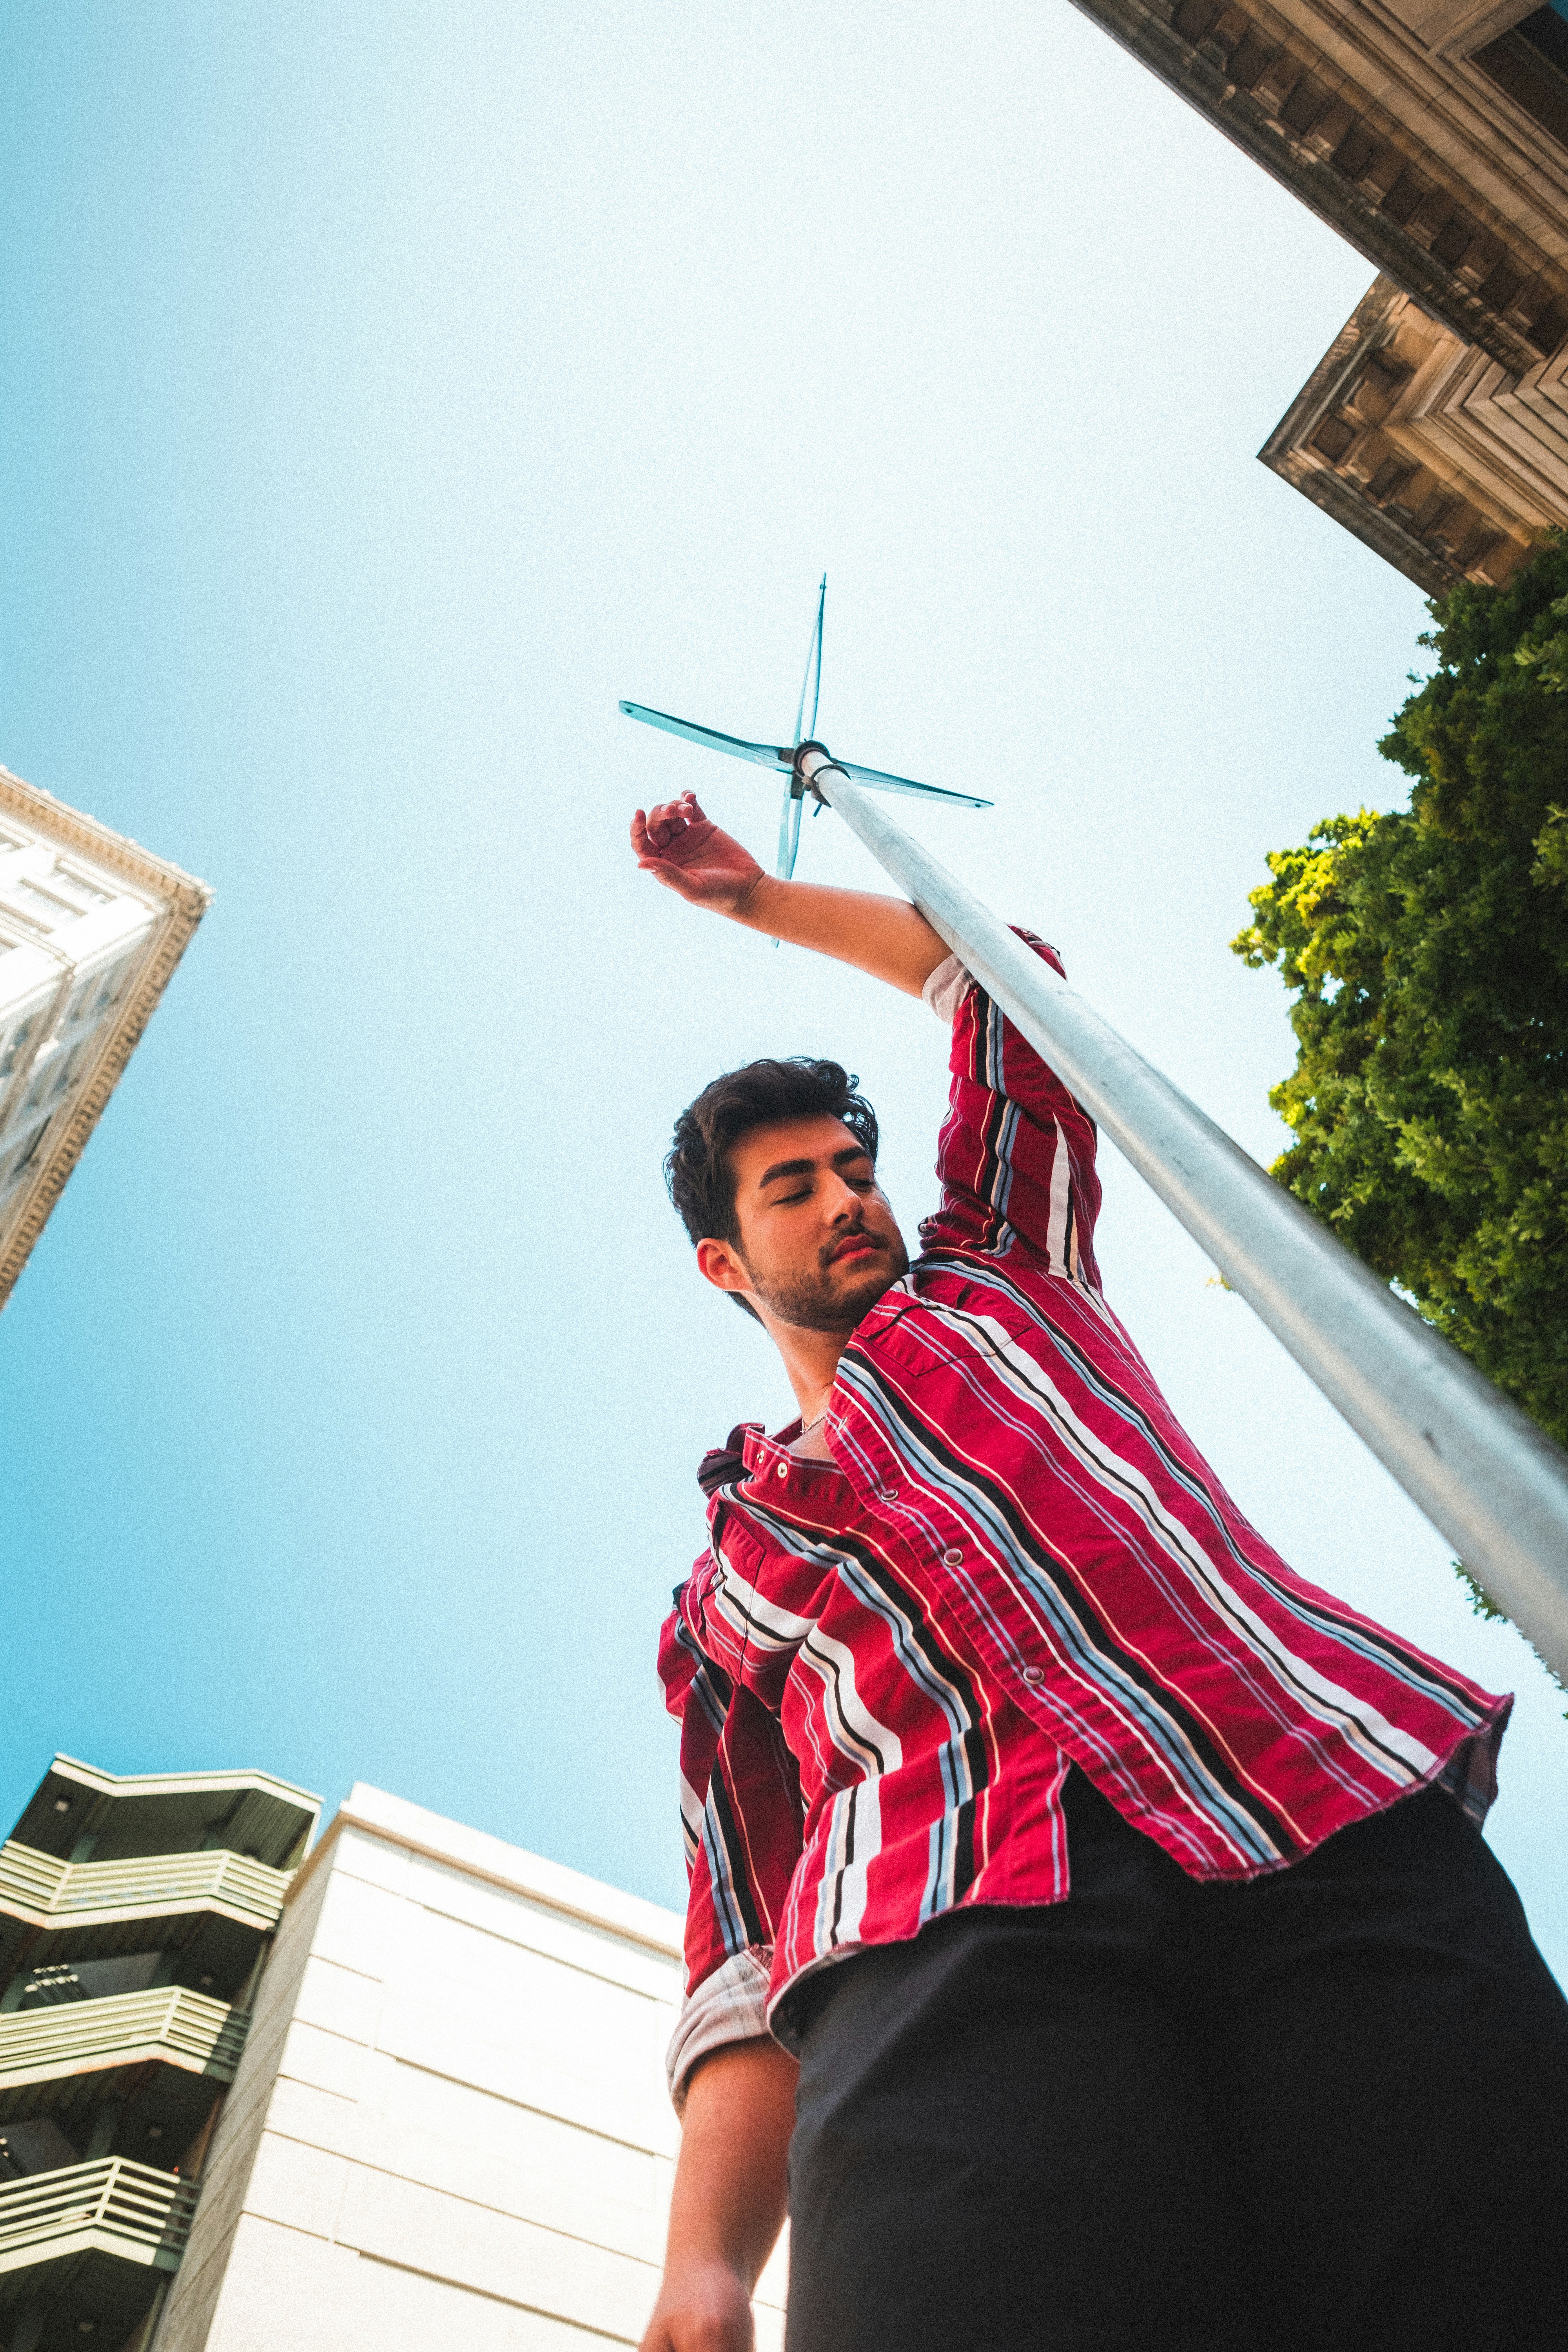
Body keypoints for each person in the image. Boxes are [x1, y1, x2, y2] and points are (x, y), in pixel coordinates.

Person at [629, 789, 1568, 2352]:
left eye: (847, 1164)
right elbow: (738, 1921)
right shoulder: (727, 1578)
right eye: (790, 1188)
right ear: (727, 1263)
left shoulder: (1007, 1269)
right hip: (947, 1933)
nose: (845, 1194)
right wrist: (708, 2258)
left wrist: (756, 900)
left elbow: (1012, 999)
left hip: (1311, 1816)